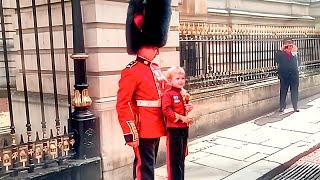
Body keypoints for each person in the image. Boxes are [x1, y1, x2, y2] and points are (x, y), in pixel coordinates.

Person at [116, 0, 172, 179]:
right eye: (154, 46)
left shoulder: (155, 68)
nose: (157, 51)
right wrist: (130, 133)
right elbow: (123, 104)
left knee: (148, 166)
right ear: (142, 45)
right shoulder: (131, 71)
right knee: (144, 168)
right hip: (143, 128)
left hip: (156, 125)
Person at [162, 66, 194, 180]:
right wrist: (181, 118)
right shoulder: (168, 94)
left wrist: (189, 107)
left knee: (182, 157)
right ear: (170, 81)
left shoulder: (183, 93)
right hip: (174, 128)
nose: (181, 81)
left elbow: (183, 108)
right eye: (177, 78)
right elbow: (166, 110)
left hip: (183, 128)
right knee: (174, 159)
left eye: (182, 78)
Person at [275, 38, 300, 112]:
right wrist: (281, 50)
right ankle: (282, 106)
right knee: (283, 92)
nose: (289, 47)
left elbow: (299, 63)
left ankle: (295, 106)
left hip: (294, 76)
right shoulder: (280, 54)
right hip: (284, 76)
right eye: (287, 45)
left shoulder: (294, 53)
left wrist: (295, 52)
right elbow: (276, 60)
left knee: (294, 91)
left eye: (290, 44)